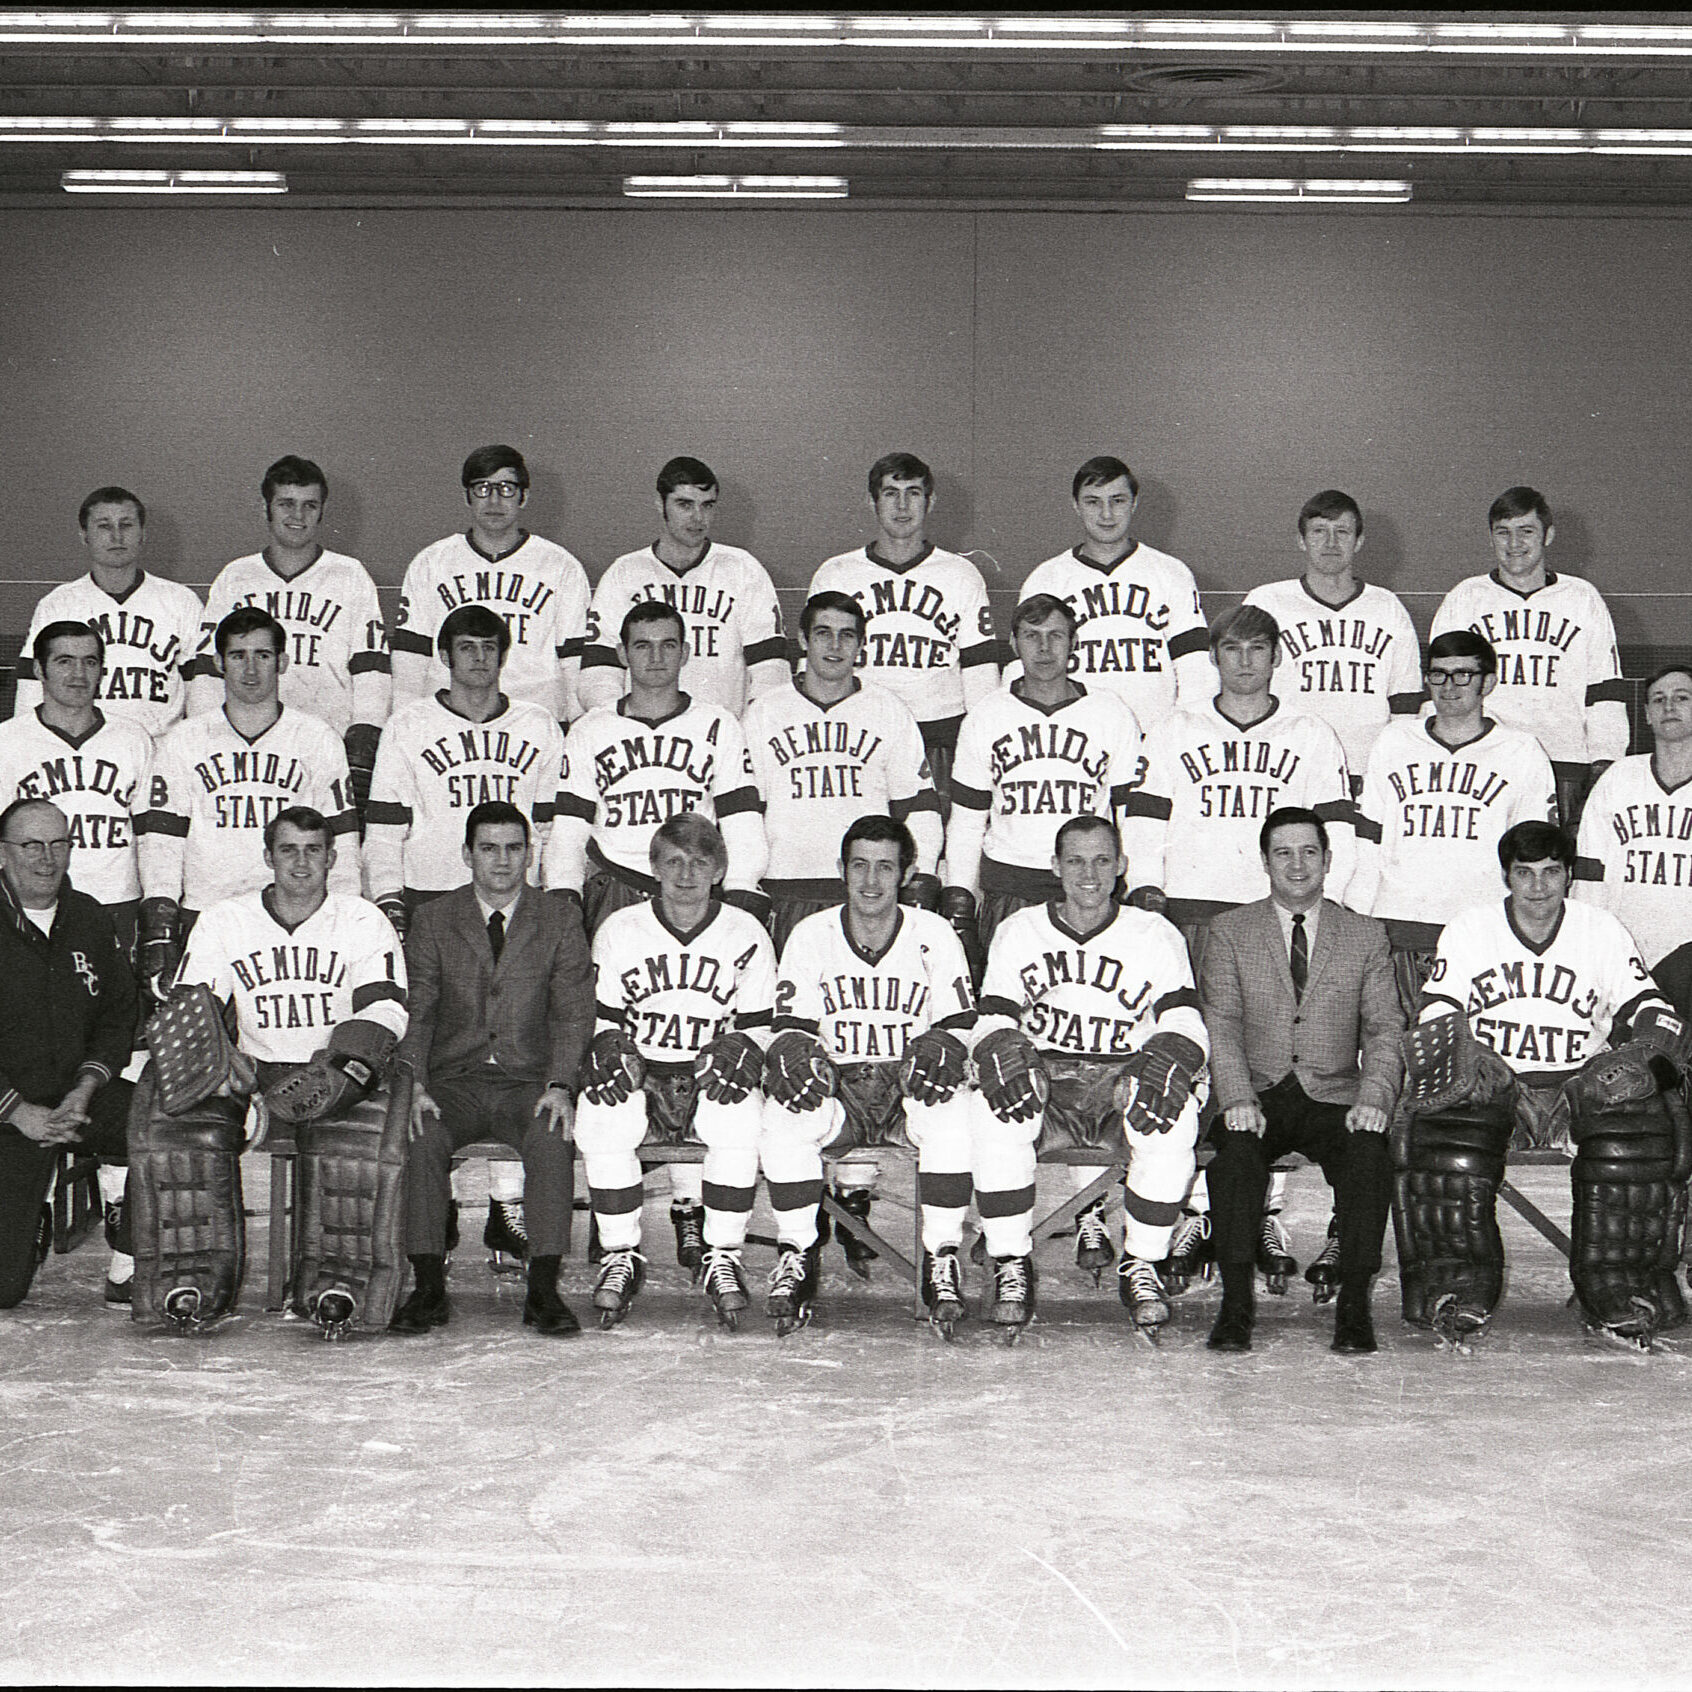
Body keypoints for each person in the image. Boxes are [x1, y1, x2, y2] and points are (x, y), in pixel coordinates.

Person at [1399, 819, 1686, 1349]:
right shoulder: (1469, 927)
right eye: (1524, 873)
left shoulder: (1600, 928)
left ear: (1569, 875)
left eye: (1551, 872)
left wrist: (1644, 1055)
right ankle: (1455, 1286)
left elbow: (1654, 1010)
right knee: (1447, 1149)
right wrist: (1460, 1053)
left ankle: (1618, 1289)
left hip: (1580, 1084)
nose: (1538, 887)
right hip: (1496, 1082)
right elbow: (1438, 1007)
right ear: (1506, 877)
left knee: (1634, 1146)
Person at [944, 592, 1144, 1273]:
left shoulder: (1108, 713)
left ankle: (1088, 1213)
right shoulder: (990, 716)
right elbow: (968, 816)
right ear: (1014, 643)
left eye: (1057, 635)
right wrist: (961, 897)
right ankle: (993, 1212)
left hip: (1087, 891)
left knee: (1086, 1043)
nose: (1045, 648)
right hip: (1009, 895)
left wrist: (1137, 889)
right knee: (1008, 1058)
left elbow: (1128, 814)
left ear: (1073, 641)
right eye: (1032, 636)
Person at [162, 806, 409, 1334]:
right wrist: (217, 1054)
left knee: (353, 1141)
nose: (301, 862)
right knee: (179, 1125)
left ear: (332, 857)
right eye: (289, 850)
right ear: (268, 856)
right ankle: (191, 1278)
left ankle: (337, 1284)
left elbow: (386, 1007)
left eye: (313, 850)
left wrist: (344, 1068)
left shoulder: (364, 918)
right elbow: (189, 1004)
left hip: (332, 1069)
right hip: (253, 1072)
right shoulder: (224, 918)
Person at [969, 813, 1209, 1335]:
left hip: (1121, 1079)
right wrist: (999, 1043)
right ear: (1055, 866)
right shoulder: (1020, 929)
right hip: (1047, 1078)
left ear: (1122, 866)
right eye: (1075, 861)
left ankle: (1142, 1263)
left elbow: (1184, 1015)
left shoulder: (1154, 932)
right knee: (995, 1106)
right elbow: (993, 1015)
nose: (1089, 875)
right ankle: (1011, 1260)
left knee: (1173, 1119)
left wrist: (1174, 1051)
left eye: (1103, 860)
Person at [759, 815, 978, 1335]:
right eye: (860, 865)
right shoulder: (811, 933)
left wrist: (945, 1043)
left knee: (954, 1113)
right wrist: (794, 1050)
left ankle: (942, 1256)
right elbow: (792, 1030)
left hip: (909, 1090)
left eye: (886, 867)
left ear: (907, 873)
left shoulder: (935, 932)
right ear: (841, 869)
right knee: (783, 1114)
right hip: (840, 1089)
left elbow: (960, 1025)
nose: (872, 881)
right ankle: (795, 1251)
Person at [1199, 808, 1404, 1355]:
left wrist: (1375, 1098)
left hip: (1334, 1092)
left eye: (1309, 852)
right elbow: (1221, 1023)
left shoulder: (1364, 935)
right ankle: (1236, 1303)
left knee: (1369, 1160)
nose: (1297, 864)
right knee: (1236, 1163)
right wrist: (1237, 1096)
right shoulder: (1230, 931)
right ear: (1264, 861)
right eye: (1284, 853)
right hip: (1259, 1091)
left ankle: (1355, 1305)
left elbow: (1385, 1028)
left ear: (1328, 860)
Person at [388, 801, 593, 1338]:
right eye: (489, 848)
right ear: (466, 854)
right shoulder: (433, 919)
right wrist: (413, 1085)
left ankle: (543, 1289)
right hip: (453, 1081)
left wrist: (560, 1084)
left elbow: (573, 1011)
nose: (502, 861)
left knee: (552, 1137)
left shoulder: (559, 917)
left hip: (528, 1082)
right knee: (420, 1135)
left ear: (531, 853)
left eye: (514, 848)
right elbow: (420, 1009)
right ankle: (428, 1285)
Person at [576, 814, 775, 1331]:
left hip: (710, 1073)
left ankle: (723, 1253)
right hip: (644, 1071)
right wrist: (608, 1046)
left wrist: (743, 1049)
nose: (686, 874)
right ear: (654, 867)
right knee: (600, 1111)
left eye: (700, 863)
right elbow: (605, 1019)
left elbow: (761, 1025)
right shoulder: (620, 928)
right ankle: (621, 1253)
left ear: (720, 870)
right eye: (674, 862)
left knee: (741, 1118)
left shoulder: (745, 930)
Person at [135, 608, 360, 1002]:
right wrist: (161, 918)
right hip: (207, 913)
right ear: (219, 663)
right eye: (238, 655)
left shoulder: (318, 738)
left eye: (263, 655)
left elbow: (340, 839)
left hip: (295, 914)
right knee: (204, 1049)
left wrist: (347, 914)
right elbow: (162, 842)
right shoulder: (184, 740)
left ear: (283, 662)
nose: (251, 669)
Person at [1119, 604, 1357, 924]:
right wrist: (1145, 885)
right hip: (1189, 903)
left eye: (1257, 648)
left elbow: (1336, 829)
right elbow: (1144, 821)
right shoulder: (1174, 727)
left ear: (1276, 657)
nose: (1245, 661)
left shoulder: (1311, 733)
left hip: (1278, 909)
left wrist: (1330, 896)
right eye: (1232, 649)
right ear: (1213, 657)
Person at [544, 601, 768, 934]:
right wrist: (564, 890)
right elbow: (569, 829)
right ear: (622, 654)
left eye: (668, 645)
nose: (656, 657)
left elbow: (742, 822)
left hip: (693, 883)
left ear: (685, 652)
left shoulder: (719, 724)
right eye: (643, 645)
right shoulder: (590, 729)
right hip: (616, 883)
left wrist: (741, 886)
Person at [185, 456, 391, 817]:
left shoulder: (349, 576)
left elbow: (371, 666)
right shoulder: (237, 577)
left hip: (327, 741)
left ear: (322, 511)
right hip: (247, 742)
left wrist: (365, 734)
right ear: (265, 507)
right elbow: (207, 669)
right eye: (286, 504)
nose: (298, 516)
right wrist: (208, 734)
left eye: (310, 505)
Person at [743, 589, 942, 955]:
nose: (835, 645)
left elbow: (918, 809)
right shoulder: (765, 712)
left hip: (867, 895)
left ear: (860, 645)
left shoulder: (888, 710)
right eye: (823, 633)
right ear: (803, 639)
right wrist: (744, 883)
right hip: (787, 891)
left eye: (847, 635)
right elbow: (746, 816)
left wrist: (921, 878)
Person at [0, 798, 136, 1310]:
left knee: (168, 1118)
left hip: (76, 1097)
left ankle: (132, 1256)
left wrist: (86, 1087)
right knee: (3, 1290)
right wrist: (15, 1110)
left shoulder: (88, 917)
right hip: (8, 1110)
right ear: (3, 852)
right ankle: (32, 1215)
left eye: (59, 844)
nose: (46, 858)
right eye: (31, 845)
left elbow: (119, 1015)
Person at [809, 452, 999, 807]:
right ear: (872, 501)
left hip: (939, 736)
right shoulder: (836, 574)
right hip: (859, 732)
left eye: (913, 493)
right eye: (890, 493)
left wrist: (982, 747)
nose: (902, 505)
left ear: (930, 502)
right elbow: (815, 671)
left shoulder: (960, 574)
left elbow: (981, 676)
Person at [1430, 486, 1628, 826]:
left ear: (1548, 535)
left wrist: (1605, 763)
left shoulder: (1581, 598)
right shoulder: (1466, 598)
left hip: (1563, 764)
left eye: (1526, 531)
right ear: (1491, 537)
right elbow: (1439, 688)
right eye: (1503, 533)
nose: (1514, 544)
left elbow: (1604, 691)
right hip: (1484, 761)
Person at [365, 604, 564, 937]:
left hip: (516, 900)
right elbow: (384, 831)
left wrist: (553, 890)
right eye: (467, 647)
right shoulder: (408, 725)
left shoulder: (538, 724)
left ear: (502, 657)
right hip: (430, 895)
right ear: (445, 656)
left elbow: (550, 829)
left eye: (489, 647)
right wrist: (388, 898)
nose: (480, 657)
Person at [1351, 631, 1557, 942]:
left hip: (1480, 923)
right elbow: (1368, 838)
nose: (1448, 686)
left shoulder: (1521, 750)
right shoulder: (1393, 740)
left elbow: (1533, 853)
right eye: (1439, 674)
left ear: (1486, 683)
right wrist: (1358, 911)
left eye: (1463, 675)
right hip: (1397, 919)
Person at [391, 445, 591, 723]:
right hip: (448, 719)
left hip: (536, 720)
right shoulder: (431, 563)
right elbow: (410, 661)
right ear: (466, 497)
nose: (494, 501)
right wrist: (406, 723)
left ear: (524, 497)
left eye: (506, 488)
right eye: (482, 488)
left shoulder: (560, 566)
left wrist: (578, 725)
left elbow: (574, 662)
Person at [578, 455, 789, 717]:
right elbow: (598, 671)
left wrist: (748, 729)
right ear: (660, 503)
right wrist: (621, 723)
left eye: (707, 505)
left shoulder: (743, 569)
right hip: (639, 738)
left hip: (722, 737)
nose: (698, 517)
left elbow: (771, 669)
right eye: (684, 505)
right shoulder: (625, 573)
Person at [1012, 454, 1208, 730]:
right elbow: (1022, 668)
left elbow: (1197, 671)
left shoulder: (1172, 573)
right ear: (1076, 506)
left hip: (1154, 737)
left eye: (1117, 500)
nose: (1106, 514)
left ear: (1134, 503)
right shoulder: (1046, 578)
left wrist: (1181, 733)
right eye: (1093, 501)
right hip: (1074, 739)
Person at [1243, 490, 1424, 787]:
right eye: (1318, 532)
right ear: (1301, 540)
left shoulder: (1387, 607)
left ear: (1359, 542)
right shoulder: (1266, 602)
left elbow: (1405, 703)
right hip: (1284, 767)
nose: (1330, 543)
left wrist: (1389, 766)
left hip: (1366, 770)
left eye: (1342, 532)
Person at [0, 622, 156, 953]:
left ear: (102, 669)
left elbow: (151, 837)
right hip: (34, 907)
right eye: (64, 661)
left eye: (90, 661)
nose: (78, 674)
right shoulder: (8, 741)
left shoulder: (133, 738)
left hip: (118, 903)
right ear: (40, 670)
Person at [13, 486, 203, 743]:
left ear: (142, 534)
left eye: (126, 525)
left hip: (162, 749)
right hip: (85, 750)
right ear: (84, 536)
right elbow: (32, 691)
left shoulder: (181, 601)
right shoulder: (58, 604)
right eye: (104, 526)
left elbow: (202, 693)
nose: (117, 536)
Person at [1574, 665, 1692, 1015]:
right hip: (1623, 951)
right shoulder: (1618, 777)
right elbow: (1587, 873)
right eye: (1659, 699)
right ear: (1646, 715)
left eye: (1682, 698)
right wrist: (1588, 944)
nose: (1669, 706)